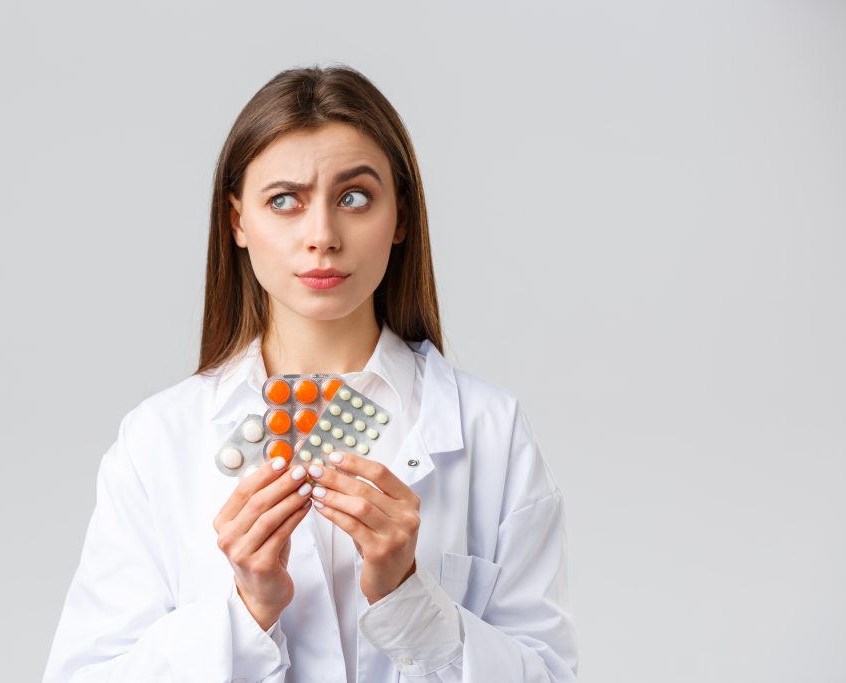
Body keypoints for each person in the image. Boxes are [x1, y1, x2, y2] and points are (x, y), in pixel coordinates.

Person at [42, 64, 579, 683]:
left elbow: (549, 675)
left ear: (400, 217)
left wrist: (408, 596)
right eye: (283, 201)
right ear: (237, 221)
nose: (322, 236)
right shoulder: (160, 438)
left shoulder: (490, 429)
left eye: (355, 198)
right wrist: (247, 610)